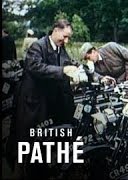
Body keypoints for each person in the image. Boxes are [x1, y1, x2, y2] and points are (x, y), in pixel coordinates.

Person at [7, 19, 80, 178]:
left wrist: (86, 71)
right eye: (65, 36)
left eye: (68, 38)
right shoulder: (37, 46)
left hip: (47, 102)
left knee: (45, 141)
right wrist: (63, 71)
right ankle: (19, 173)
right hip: (33, 103)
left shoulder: (60, 47)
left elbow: (70, 62)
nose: (66, 41)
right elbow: (35, 67)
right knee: (26, 142)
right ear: (55, 30)